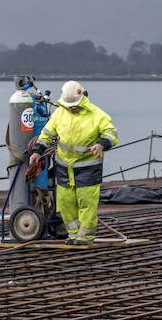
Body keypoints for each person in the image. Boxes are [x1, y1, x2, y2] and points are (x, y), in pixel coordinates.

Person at [29, 80, 117, 246]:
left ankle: (85, 236)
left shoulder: (97, 115)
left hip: (88, 167)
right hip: (64, 167)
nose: (71, 108)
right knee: (66, 202)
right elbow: (47, 134)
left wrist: (102, 144)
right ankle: (73, 234)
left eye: (73, 105)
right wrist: (37, 152)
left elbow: (111, 133)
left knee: (86, 203)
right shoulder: (60, 113)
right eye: (69, 106)